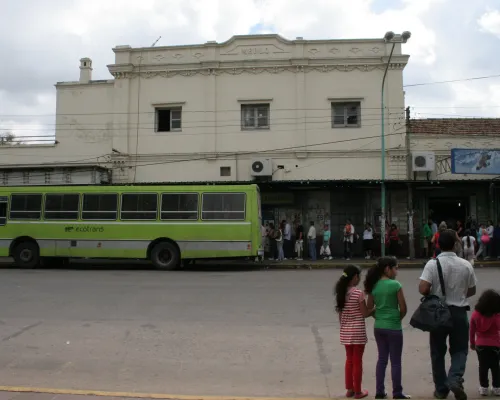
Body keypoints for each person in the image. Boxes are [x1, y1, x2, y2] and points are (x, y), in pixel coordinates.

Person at [419, 229, 478, 400]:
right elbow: (472, 290)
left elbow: (423, 289)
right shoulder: (466, 265)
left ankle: (441, 389)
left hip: (438, 313)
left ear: (439, 245)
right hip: (459, 312)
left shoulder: (432, 264)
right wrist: (459, 295)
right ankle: (455, 378)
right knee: (460, 349)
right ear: (455, 245)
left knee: (437, 351)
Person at [365, 257, 410, 399]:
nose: (396, 272)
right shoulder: (396, 285)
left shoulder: (374, 286)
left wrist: (379, 317)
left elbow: (369, 308)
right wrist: (396, 319)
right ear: (387, 268)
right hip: (394, 327)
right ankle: (397, 392)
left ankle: (379, 391)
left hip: (379, 327)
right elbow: (403, 308)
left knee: (382, 359)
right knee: (395, 362)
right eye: (395, 268)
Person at [335, 265, 373, 399]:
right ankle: (358, 391)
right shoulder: (358, 293)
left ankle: (349, 389)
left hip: (345, 331)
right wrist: (373, 310)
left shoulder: (341, 293)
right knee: (358, 361)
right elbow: (364, 313)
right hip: (357, 332)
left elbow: (340, 315)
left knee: (349, 360)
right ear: (355, 277)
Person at [469, 289, 500, 396]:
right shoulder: (496, 316)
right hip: (495, 345)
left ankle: (484, 388)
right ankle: (496, 387)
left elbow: (472, 331)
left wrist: (472, 343)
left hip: (480, 345)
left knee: (483, 366)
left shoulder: (475, 315)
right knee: (495, 367)